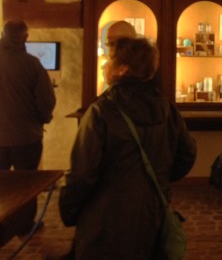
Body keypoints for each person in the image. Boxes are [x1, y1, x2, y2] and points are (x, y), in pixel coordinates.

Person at [59, 37, 196, 259]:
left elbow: (82, 173)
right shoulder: (166, 108)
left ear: (122, 69)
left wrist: (69, 210)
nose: (104, 65)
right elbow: (187, 154)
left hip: (106, 218)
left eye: (109, 60)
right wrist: (157, 178)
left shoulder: (101, 111)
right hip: (152, 213)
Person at [0, 19, 56, 234]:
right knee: (27, 182)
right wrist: (43, 119)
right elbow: (46, 99)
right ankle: (23, 226)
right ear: (25, 37)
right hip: (26, 136)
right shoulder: (32, 64)